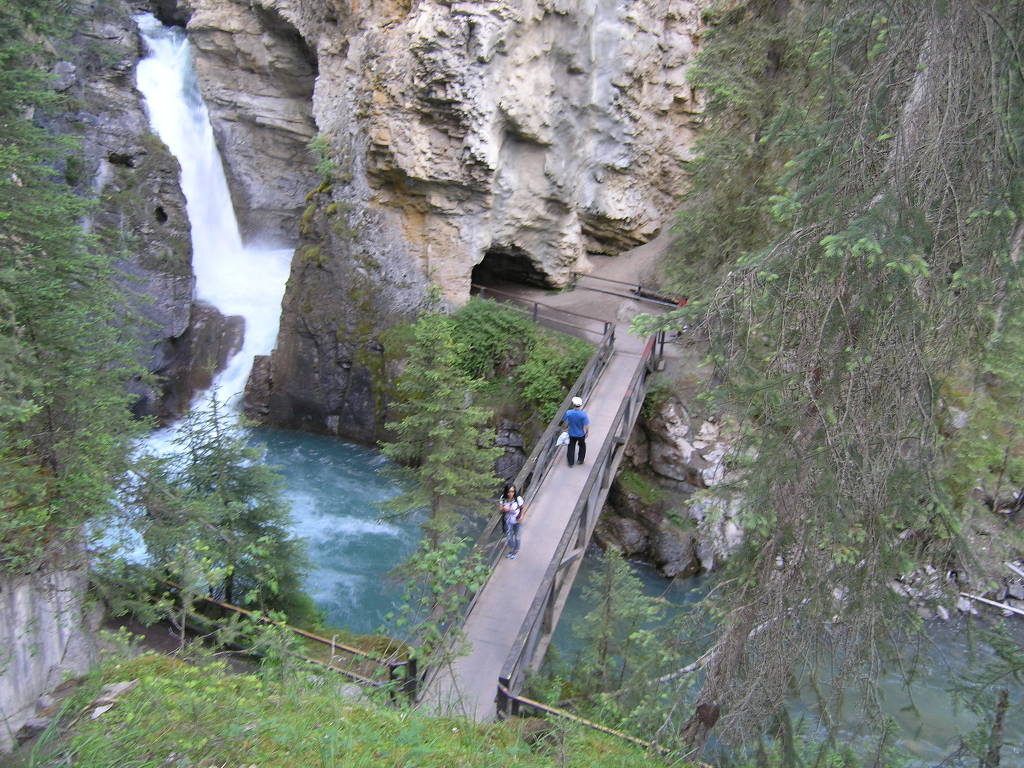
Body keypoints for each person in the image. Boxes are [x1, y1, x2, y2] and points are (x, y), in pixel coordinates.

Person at [562, 396, 590, 467]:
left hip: (571, 433)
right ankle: (580, 460)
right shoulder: (583, 415)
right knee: (582, 446)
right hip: (580, 434)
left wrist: (564, 429)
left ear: (573, 404)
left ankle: (570, 462)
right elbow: (586, 425)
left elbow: (565, 422)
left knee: (571, 447)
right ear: (580, 405)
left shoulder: (568, 413)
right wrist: (587, 432)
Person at [499, 483, 525, 559]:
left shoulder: (518, 498)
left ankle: (515, 551)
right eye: (509, 491)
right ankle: (513, 549)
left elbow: (523, 507)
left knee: (517, 537)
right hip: (508, 521)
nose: (511, 493)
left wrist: (522, 517)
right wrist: (505, 509)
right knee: (509, 538)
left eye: (512, 491)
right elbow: (500, 509)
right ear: (506, 491)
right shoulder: (503, 498)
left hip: (517, 521)